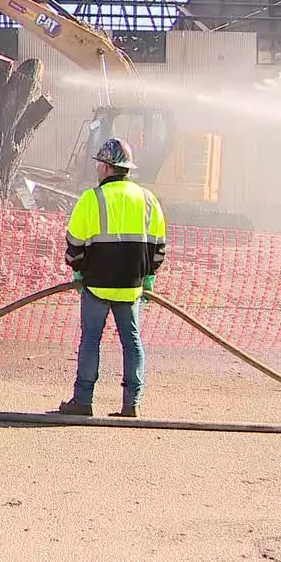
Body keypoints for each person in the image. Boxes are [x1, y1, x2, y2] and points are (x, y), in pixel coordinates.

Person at [60, 137, 166, 418]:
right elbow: (159, 246)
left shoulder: (91, 198)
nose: (97, 170)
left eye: (100, 165)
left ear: (107, 167)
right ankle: (132, 403)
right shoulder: (148, 200)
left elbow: (73, 244)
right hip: (131, 287)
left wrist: (78, 270)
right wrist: (148, 276)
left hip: (96, 283)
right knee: (132, 341)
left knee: (91, 340)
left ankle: (83, 401)